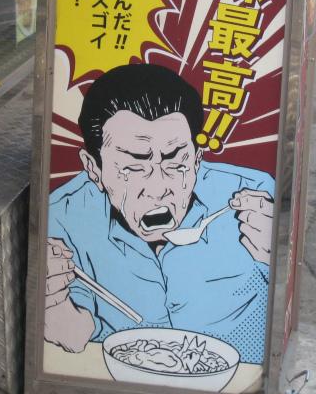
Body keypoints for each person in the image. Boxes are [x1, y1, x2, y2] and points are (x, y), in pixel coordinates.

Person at [44, 64, 275, 363]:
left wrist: (276, 253)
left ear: (196, 159)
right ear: (93, 168)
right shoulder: (64, 217)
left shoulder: (253, 198)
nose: (158, 188)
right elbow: (75, 338)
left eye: (175, 161)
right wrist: (51, 301)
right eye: (133, 166)